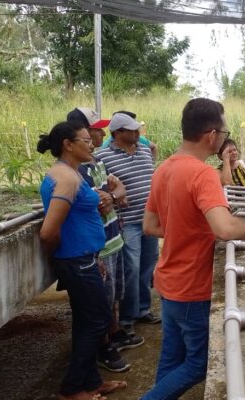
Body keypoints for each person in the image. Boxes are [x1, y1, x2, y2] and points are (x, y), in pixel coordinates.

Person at [141, 98, 245, 399]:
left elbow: (150, 225)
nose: (225, 138)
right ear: (211, 135)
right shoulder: (203, 174)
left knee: (171, 359)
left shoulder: (164, 168)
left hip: (168, 280)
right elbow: (224, 227)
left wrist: (190, 230)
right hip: (190, 286)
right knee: (198, 364)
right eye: (224, 133)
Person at [37, 121, 127, 400]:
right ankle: (72, 389)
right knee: (99, 321)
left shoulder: (71, 173)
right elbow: (49, 232)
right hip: (77, 261)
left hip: (84, 259)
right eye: (85, 140)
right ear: (68, 144)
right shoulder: (66, 179)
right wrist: (69, 257)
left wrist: (88, 254)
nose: (91, 144)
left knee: (87, 322)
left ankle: (91, 381)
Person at [67, 108, 145, 372]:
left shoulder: (96, 164)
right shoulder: (78, 171)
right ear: (79, 134)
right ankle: (103, 347)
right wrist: (112, 196)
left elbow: (116, 193)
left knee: (112, 295)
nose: (99, 133)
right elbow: (102, 203)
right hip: (97, 245)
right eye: (94, 130)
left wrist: (113, 195)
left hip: (112, 237)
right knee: (100, 300)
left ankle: (113, 334)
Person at [95, 113, 160, 334]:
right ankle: (127, 317)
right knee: (131, 268)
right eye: (132, 130)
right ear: (118, 133)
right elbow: (100, 186)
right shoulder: (102, 156)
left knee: (147, 266)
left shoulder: (143, 150)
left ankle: (142, 309)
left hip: (149, 219)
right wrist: (115, 194)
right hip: (127, 221)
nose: (137, 133)